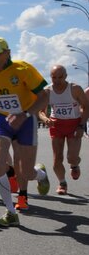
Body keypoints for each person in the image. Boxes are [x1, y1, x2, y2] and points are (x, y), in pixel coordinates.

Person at [0, 37, 50, 227]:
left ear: (7, 53)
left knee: (25, 172)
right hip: (2, 120)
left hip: (26, 120)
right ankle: (10, 211)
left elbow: (44, 96)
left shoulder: (22, 69)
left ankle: (39, 174)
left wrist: (25, 114)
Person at [39, 65, 87, 195]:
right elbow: (40, 111)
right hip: (57, 125)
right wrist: (45, 119)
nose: (57, 80)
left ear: (65, 76)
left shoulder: (75, 88)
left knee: (72, 157)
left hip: (74, 124)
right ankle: (62, 183)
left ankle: (74, 165)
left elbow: (86, 106)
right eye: (54, 77)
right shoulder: (47, 91)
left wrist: (82, 125)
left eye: (60, 77)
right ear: (51, 77)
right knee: (57, 159)